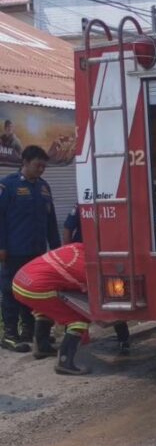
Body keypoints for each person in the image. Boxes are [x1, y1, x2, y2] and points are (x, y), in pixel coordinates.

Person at [0, 145, 60, 352]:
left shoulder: (44, 187)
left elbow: (50, 221)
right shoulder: (7, 186)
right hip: (14, 251)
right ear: (25, 162)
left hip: (37, 252)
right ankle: (9, 334)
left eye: (44, 166)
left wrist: (56, 249)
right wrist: (2, 246)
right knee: (10, 291)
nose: (41, 169)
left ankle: (29, 330)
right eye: (38, 165)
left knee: (32, 292)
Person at [63, 204, 131, 355]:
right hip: (83, 255)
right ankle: (77, 338)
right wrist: (67, 252)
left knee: (114, 296)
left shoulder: (115, 204)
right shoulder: (82, 206)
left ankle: (123, 339)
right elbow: (68, 228)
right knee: (76, 298)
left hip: (107, 255)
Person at [12, 243, 90, 374]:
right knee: (79, 319)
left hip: (19, 282)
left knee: (46, 308)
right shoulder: (86, 265)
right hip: (35, 287)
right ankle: (65, 362)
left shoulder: (75, 247)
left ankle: (42, 347)